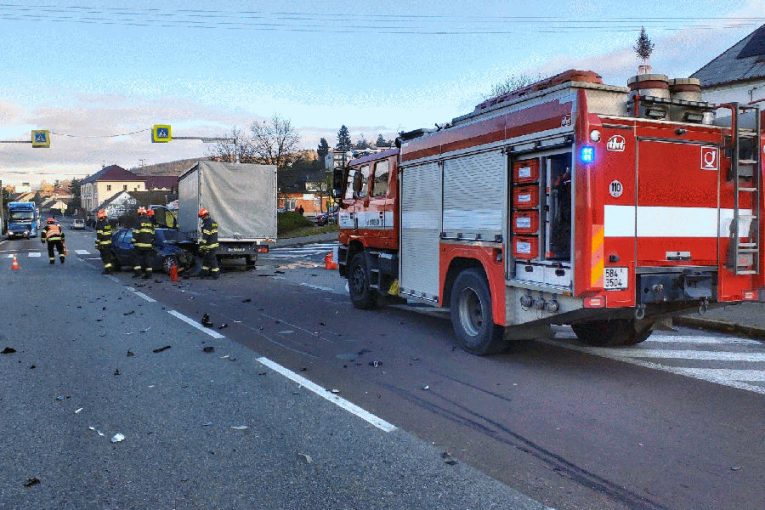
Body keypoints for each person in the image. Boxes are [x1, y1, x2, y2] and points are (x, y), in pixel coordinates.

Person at [131, 207, 155, 279]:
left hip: (139, 245)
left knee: (135, 258)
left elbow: (136, 232)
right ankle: (149, 274)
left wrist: (132, 241)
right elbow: (153, 234)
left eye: (138, 214)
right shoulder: (150, 223)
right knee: (147, 260)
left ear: (140, 214)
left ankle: (138, 273)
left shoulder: (138, 221)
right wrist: (151, 242)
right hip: (148, 245)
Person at [198, 208, 220, 279]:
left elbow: (205, 236)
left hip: (210, 245)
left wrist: (201, 246)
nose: (201, 218)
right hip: (213, 244)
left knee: (212, 260)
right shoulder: (213, 222)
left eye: (201, 216)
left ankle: (216, 275)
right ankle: (202, 274)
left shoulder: (207, 223)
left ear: (205, 215)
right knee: (206, 260)